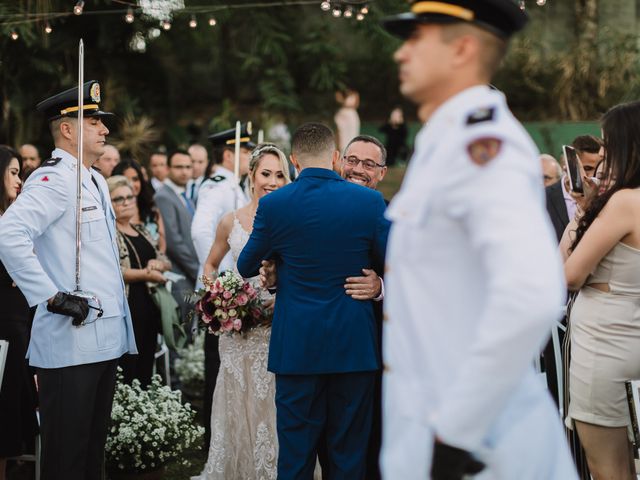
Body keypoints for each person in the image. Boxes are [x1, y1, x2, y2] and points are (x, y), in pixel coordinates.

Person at [379, 3, 577, 479]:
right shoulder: (443, 142)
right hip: (439, 431)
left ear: (462, 48)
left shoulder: (483, 147)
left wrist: (456, 431)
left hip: (482, 449)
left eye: (415, 39)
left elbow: (531, 293)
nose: (399, 54)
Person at [0, 81, 136, 480]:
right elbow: (9, 234)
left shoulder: (92, 179)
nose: (104, 130)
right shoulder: (54, 179)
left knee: (92, 455)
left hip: (102, 339)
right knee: (66, 459)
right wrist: (50, 296)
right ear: (67, 129)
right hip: (71, 341)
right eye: (94, 121)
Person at [238, 123, 389, 479]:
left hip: (297, 350)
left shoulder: (275, 204)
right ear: (336, 158)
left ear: (293, 160)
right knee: (349, 454)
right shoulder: (369, 201)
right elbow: (393, 260)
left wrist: (278, 263)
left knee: (295, 455)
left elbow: (246, 264)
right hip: (353, 348)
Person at [192, 144, 290, 480]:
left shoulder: (290, 221)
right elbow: (210, 264)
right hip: (238, 330)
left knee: (274, 402)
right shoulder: (230, 221)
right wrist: (217, 298)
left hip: (277, 326)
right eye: (266, 173)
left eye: (280, 174)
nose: (272, 181)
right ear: (251, 176)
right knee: (237, 399)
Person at [562, 101, 640, 480]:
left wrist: (584, 212)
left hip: (606, 348)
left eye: (609, 148)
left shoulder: (625, 202)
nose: (604, 157)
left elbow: (569, 275)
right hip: (633, 341)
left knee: (609, 471)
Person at [191, 124, 253, 447]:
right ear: (229, 154)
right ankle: (215, 441)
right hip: (225, 298)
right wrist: (219, 284)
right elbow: (202, 231)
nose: (249, 157)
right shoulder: (219, 186)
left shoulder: (234, 184)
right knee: (219, 369)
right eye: (246, 151)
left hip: (235, 295)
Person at [108, 175, 171, 387]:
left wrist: (157, 264)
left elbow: (164, 259)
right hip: (127, 309)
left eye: (129, 197)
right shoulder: (108, 233)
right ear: (108, 202)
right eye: (118, 199)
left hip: (150, 308)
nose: (126, 202)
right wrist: (146, 274)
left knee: (146, 367)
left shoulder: (141, 229)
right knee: (127, 368)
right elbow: (113, 271)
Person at [0, 146, 38, 480]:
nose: (19, 180)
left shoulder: (14, 216)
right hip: (4, 324)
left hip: (21, 322)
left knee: (12, 404)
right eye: (13, 172)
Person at [153, 150, 199, 323]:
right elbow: (173, 242)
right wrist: (197, 271)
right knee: (181, 329)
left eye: (188, 166)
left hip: (189, 273)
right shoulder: (163, 196)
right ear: (168, 168)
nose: (184, 171)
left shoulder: (185, 195)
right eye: (179, 167)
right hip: (178, 274)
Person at [546, 135, 604, 242]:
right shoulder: (543, 197)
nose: (593, 174)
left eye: (599, 169)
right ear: (569, 165)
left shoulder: (605, 199)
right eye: (587, 168)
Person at [113, 158, 167, 253]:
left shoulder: (151, 208)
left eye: (135, 179)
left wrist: (158, 262)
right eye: (125, 179)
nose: (131, 184)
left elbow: (162, 243)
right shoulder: (111, 211)